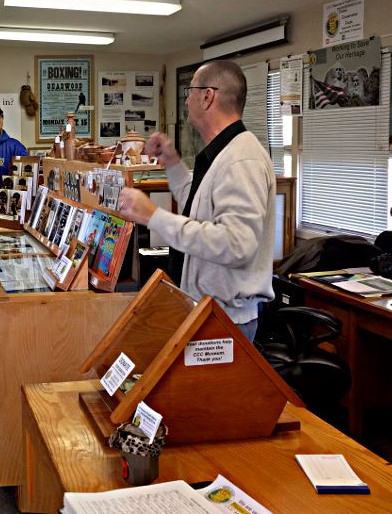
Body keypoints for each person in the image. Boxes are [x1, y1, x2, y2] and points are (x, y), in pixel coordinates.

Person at [116, 60, 275, 341]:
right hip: (207, 309)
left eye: (190, 91)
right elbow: (198, 205)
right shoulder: (225, 151)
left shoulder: (242, 159)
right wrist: (172, 162)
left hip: (226, 320)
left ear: (207, 96)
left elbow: (237, 245)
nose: (186, 99)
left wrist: (154, 216)